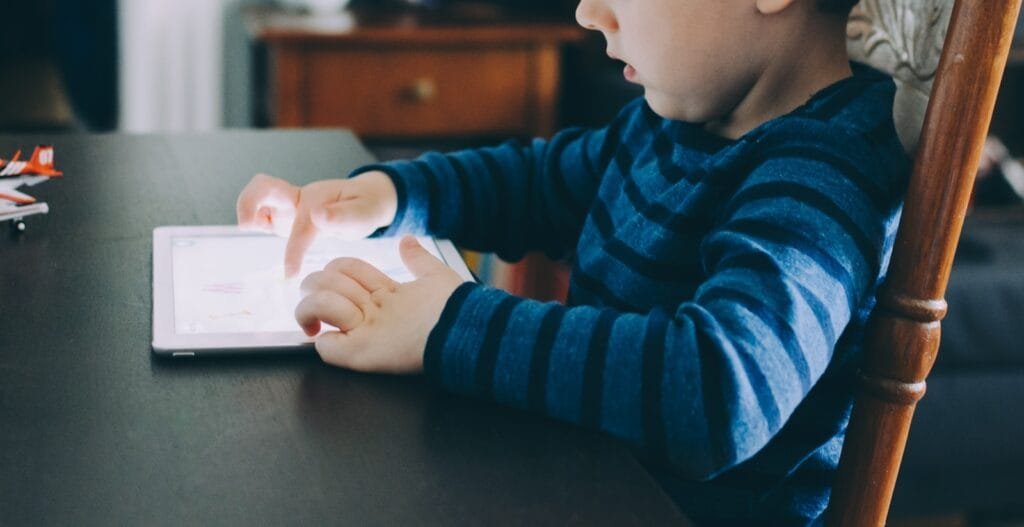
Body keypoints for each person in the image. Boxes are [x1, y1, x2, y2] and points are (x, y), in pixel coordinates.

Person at [236, 0, 911, 523]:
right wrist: (388, 194)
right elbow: (535, 183)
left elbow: (719, 390)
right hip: (585, 482)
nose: (589, 13)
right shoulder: (674, 123)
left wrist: (450, 321)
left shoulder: (825, 172)